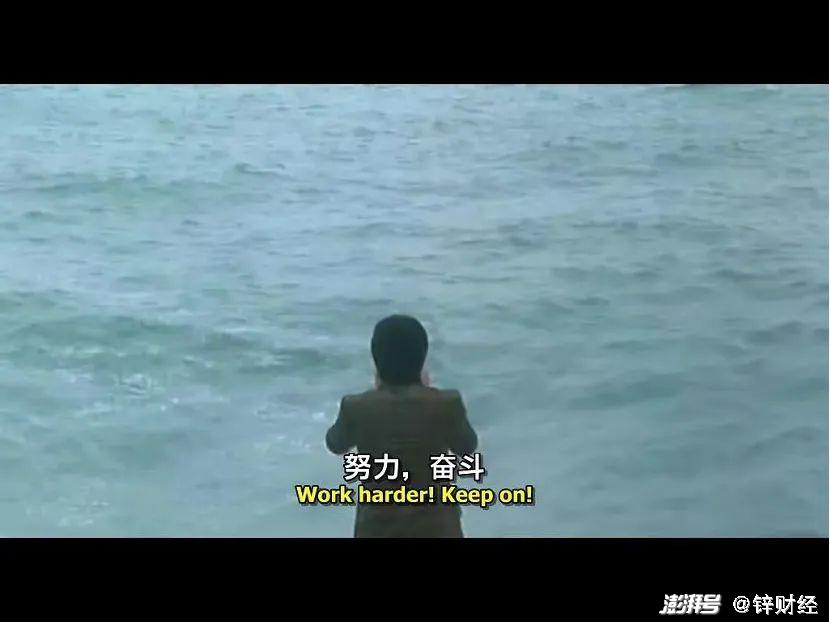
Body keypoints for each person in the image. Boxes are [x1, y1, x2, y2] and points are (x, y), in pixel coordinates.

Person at [325, 314, 478, 537]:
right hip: (438, 529)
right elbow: (467, 446)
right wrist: (426, 390)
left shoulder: (356, 407)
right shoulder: (447, 403)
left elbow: (335, 443)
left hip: (376, 530)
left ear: (376, 360)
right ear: (422, 359)